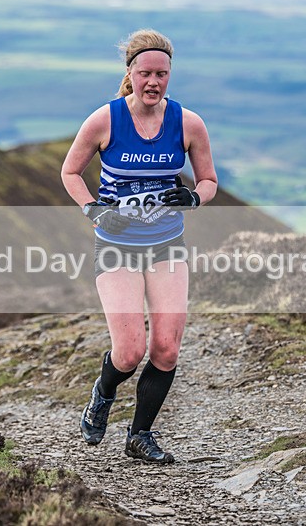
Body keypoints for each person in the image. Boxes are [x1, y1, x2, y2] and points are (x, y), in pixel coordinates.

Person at [61, 29, 217, 463]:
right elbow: (70, 173)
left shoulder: (188, 123)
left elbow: (208, 182)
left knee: (166, 348)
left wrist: (193, 197)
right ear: (130, 73)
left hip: (167, 245)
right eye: (145, 72)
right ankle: (104, 391)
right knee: (129, 351)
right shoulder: (105, 120)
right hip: (116, 247)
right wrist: (94, 209)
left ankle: (140, 435)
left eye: (162, 74)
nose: (154, 81)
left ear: (170, 75)